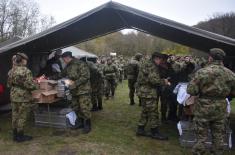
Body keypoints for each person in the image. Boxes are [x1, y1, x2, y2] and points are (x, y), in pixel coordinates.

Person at [187, 48, 235, 155]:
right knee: (218, 135)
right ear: (222, 59)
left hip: (203, 107)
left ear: (210, 58)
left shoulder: (202, 72)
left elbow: (191, 90)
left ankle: (199, 152)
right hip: (220, 108)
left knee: (201, 135)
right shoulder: (230, 74)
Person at [136, 52, 170, 140]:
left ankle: (140, 129)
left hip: (144, 91)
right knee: (153, 112)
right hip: (149, 92)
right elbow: (154, 80)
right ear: (156, 58)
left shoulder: (147, 63)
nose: (161, 62)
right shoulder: (151, 66)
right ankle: (155, 132)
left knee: (145, 111)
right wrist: (164, 82)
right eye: (160, 60)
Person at [7, 52, 38, 142]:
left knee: (15, 115)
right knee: (22, 116)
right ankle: (20, 136)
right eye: (25, 60)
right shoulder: (26, 71)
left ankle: (15, 135)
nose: (26, 62)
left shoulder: (11, 71)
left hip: (13, 96)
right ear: (22, 60)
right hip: (23, 97)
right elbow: (30, 86)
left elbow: (8, 85)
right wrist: (36, 84)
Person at [61, 52, 92, 134]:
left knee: (84, 108)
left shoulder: (81, 64)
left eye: (64, 59)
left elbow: (85, 76)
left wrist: (74, 84)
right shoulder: (68, 66)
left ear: (68, 57)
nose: (64, 61)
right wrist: (50, 78)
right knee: (76, 107)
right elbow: (61, 74)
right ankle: (80, 123)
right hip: (74, 91)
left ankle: (87, 125)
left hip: (83, 90)